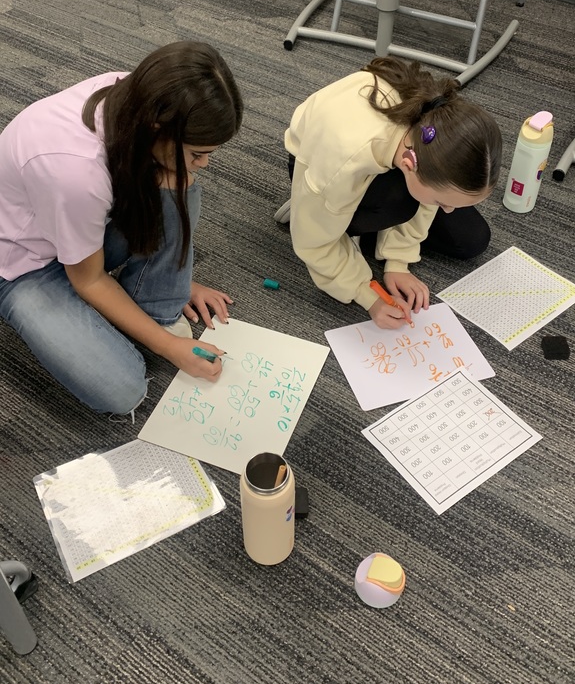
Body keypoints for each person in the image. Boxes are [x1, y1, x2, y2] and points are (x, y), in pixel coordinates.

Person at [0, 40, 243, 414]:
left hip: (77, 230)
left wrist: (179, 274)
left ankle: (149, 306)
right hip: (21, 267)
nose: (206, 163)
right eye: (198, 153)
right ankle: (139, 320)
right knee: (123, 389)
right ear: (156, 128)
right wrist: (166, 343)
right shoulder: (75, 172)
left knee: (180, 183)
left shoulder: (137, 95)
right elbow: (88, 279)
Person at [281, 56, 502, 329]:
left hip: (394, 162)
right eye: (442, 202)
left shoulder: (435, 130)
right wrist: (366, 293)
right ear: (409, 166)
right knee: (399, 205)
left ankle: (368, 230)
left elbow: (432, 186)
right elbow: (312, 241)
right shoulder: (342, 159)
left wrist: (398, 261)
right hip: (317, 166)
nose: (448, 209)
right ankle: (342, 220)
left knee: (471, 240)